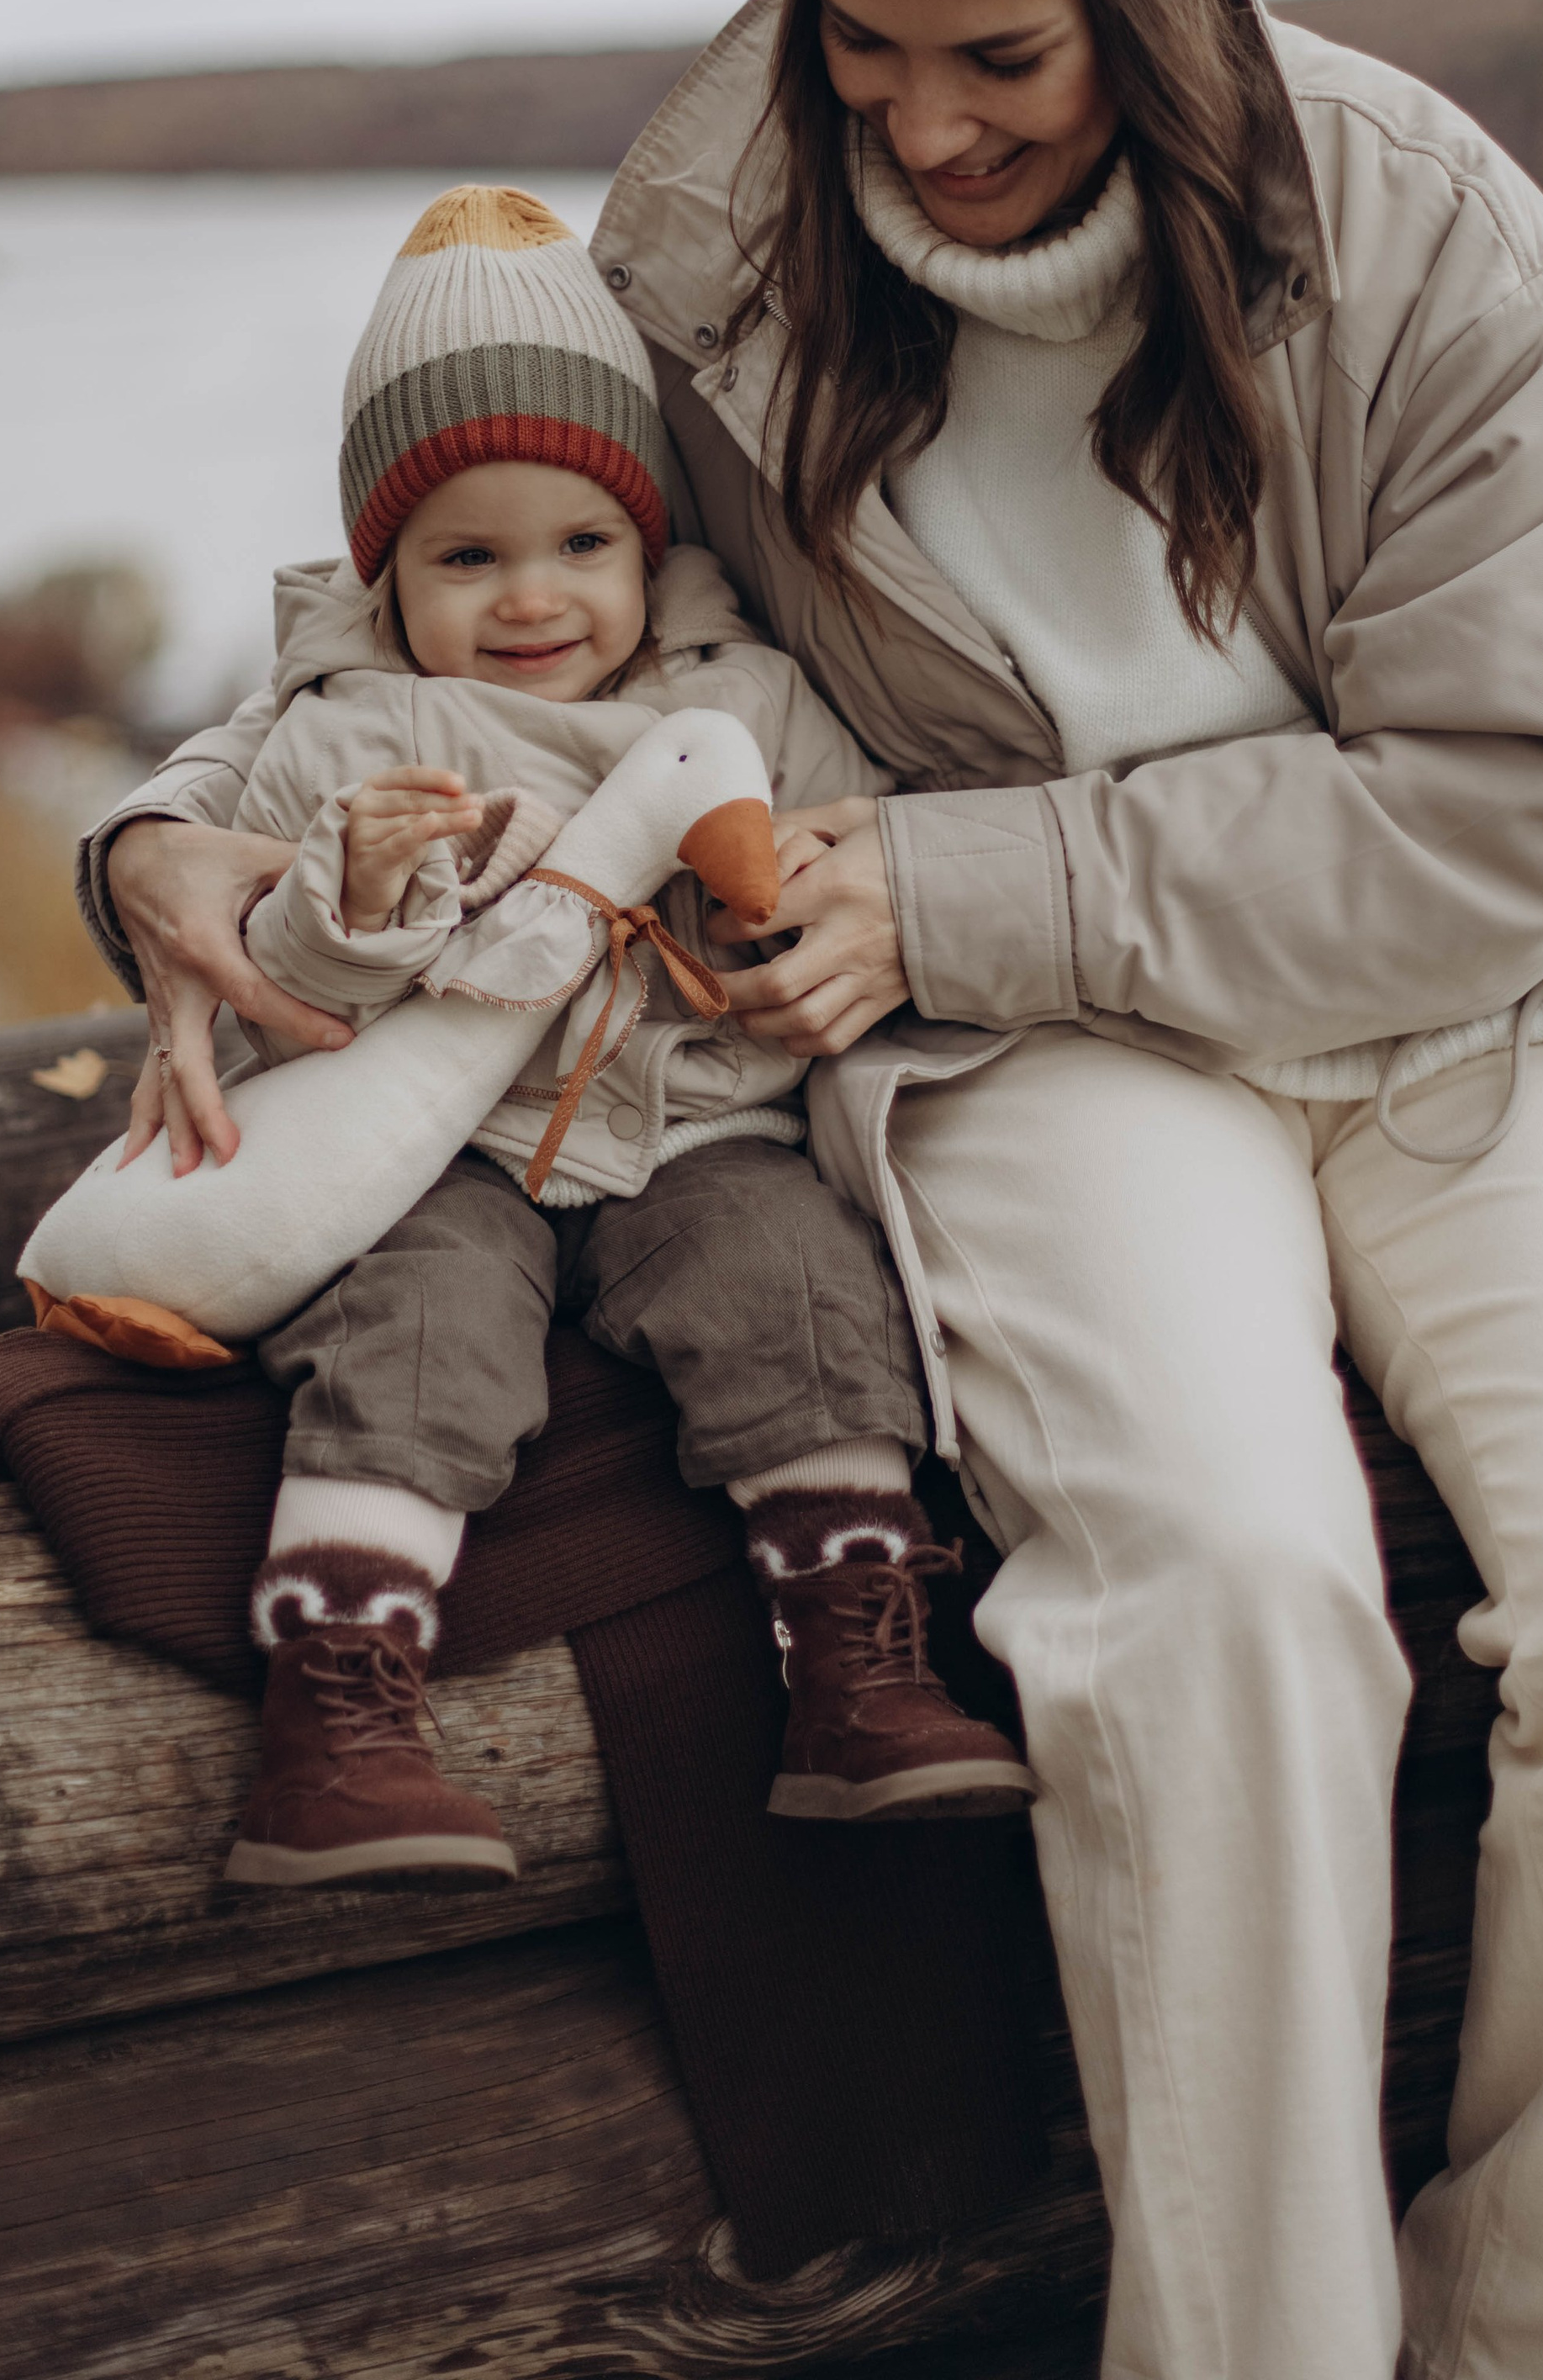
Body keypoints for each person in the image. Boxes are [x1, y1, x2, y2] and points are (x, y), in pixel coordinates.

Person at [83, 0, 1543, 2377]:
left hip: (1445, 997)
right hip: (1020, 1049)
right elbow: (480, 580)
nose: (919, 123)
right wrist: (153, 833)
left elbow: (1524, 793)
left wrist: (978, 875)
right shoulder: (710, 252)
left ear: (1160, 1)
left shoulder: (1426, 231)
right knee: (1227, 1597)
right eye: (856, 43)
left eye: (997, 55)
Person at [125, 181, 1034, 1891]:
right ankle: (338, 1716)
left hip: (688, 1120)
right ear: (388, 569)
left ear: (648, 541)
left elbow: (839, 871)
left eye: (581, 545)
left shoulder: (744, 697)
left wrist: (773, 921)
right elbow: (289, 982)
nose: (530, 599)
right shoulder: (346, 736)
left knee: (791, 1280)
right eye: (466, 557)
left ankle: (855, 1661)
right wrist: (353, 897)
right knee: (416, 1322)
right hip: (440, 1141)